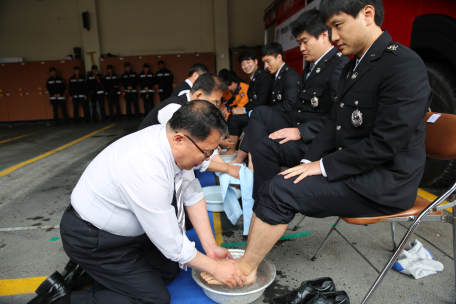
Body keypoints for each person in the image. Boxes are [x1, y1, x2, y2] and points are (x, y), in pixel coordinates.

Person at [201, 0, 433, 295]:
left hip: (384, 182)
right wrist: (308, 160)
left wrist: (322, 166)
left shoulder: (402, 65)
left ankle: (245, 270)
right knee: (278, 181)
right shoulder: (355, 65)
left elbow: (385, 145)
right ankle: (256, 244)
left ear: (368, 14)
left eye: (338, 25)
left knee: (279, 190)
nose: (334, 36)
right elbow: (333, 123)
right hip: (356, 168)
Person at [28, 100, 247, 304]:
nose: (207, 160)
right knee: (152, 299)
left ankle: (88, 272)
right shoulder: (145, 167)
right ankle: (61, 298)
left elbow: (191, 192)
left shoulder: (169, 143)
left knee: (169, 271)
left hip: (130, 234)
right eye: (206, 152)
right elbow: (172, 245)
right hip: (93, 238)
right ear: (180, 139)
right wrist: (216, 269)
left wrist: (210, 248)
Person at [239, 8, 350, 200]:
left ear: (324, 35)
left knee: (263, 148)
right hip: (298, 124)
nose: (301, 49)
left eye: (305, 42)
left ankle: (266, 201)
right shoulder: (312, 65)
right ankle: (253, 165)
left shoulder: (338, 66)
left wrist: (300, 132)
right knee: (260, 112)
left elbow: (338, 117)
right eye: (299, 43)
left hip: (315, 139)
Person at [139, 73, 241, 180]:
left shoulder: (196, 111)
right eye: (214, 102)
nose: (216, 107)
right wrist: (228, 169)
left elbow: (206, 149)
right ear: (199, 96)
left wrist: (228, 168)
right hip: (148, 165)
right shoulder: (175, 109)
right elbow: (192, 156)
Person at [230, 43, 301, 165]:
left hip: (289, 120)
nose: (266, 66)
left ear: (279, 57)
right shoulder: (275, 77)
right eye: (265, 62)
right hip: (279, 116)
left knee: (258, 115)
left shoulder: (290, 75)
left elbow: (289, 105)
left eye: (268, 61)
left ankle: (244, 161)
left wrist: (268, 113)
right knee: (255, 119)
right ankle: (243, 161)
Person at [225, 51, 272, 157]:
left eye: (248, 62)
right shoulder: (253, 78)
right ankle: (232, 149)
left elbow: (262, 101)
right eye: (242, 64)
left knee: (234, 119)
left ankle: (233, 150)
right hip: (255, 111)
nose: (246, 66)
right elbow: (252, 102)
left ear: (256, 61)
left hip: (262, 114)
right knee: (233, 116)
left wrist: (244, 110)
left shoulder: (263, 77)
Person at [219, 72, 250, 155]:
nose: (228, 90)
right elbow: (235, 103)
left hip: (248, 112)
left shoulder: (243, 88)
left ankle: (231, 148)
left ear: (232, 83)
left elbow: (241, 106)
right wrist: (227, 109)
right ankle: (227, 143)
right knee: (226, 114)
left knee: (231, 118)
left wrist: (228, 111)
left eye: (228, 87)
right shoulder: (237, 89)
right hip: (240, 110)